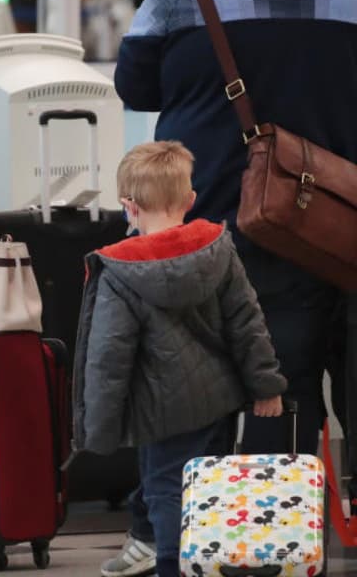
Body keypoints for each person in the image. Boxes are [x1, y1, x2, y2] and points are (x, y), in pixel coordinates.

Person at [115, 0, 357, 460]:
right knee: (289, 386)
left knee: (193, 393)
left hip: (207, 221)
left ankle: (187, 538)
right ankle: (282, 541)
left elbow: (135, 87)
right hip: (327, 227)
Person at [74, 141, 287, 577]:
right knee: (211, 491)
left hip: (161, 411)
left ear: (128, 206)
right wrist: (266, 386)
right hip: (219, 403)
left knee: (166, 491)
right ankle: (213, 564)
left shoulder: (120, 270)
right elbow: (248, 324)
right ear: (190, 200)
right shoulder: (219, 249)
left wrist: (98, 429)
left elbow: (108, 357)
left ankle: (173, 566)